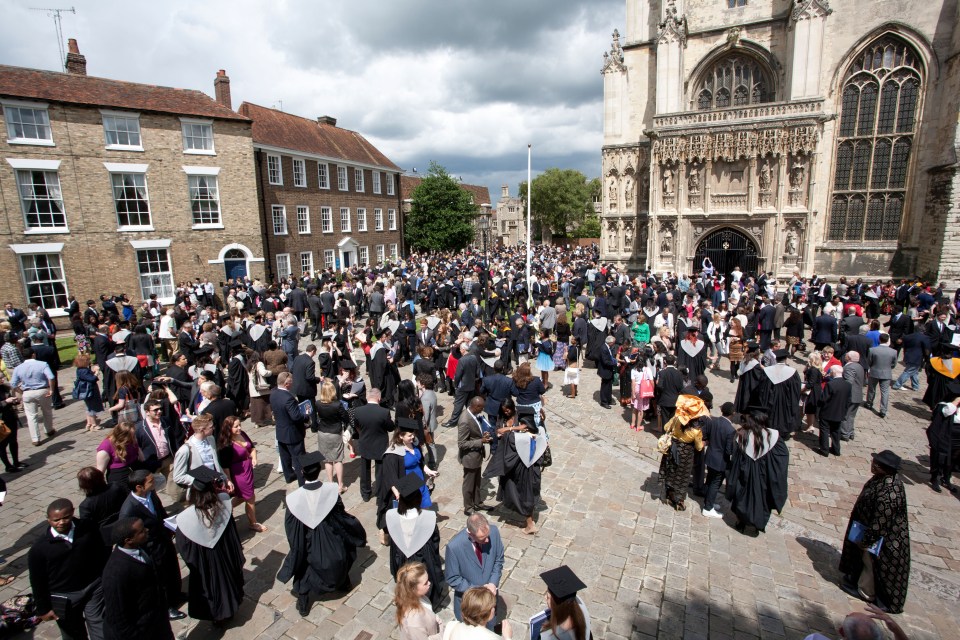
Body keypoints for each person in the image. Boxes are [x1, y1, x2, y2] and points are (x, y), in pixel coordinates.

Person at [278, 452, 367, 616]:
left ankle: (304, 601)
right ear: (319, 470)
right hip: (330, 536)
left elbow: (292, 531)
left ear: (302, 473)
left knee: (304, 564)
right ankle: (343, 582)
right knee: (343, 549)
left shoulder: (294, 499)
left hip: (308, 540)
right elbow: (341, 515)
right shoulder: (331, 490)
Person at [838, 450, 911, 614]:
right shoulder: (882, 480)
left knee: (870, 564)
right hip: (867, 529)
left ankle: (866, 592)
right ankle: (856, 578)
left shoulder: (890, 493)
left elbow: (879, 524)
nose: (873, 465)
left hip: (881, 541)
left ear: (885, 469)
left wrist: (865, 541)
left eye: (876, 464)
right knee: (864, 561)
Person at [28, 498, 109, 640]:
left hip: (93, 588)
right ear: (48, 520)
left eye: (65, 517)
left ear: (72, 513)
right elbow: (37, 580)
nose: (61, 522)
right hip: (65, 597)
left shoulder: (87, 527)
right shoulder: (39, 548)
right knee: (72, 633)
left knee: (99, 627)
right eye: (56, 520)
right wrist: (43, 608)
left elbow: (101, 551)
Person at [175, 466, 245, 624]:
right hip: (224, 555)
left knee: (210, 587)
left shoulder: (185, 518)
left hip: (204, 562)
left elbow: (184, 549)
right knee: (227, 582)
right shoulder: (225, 504)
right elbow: (232, 535)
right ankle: (230, 610)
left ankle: (217, 616)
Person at [116, 471, 184, 621]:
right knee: (160, 577)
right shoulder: (129, 509)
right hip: (150, 546)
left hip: (163, 538)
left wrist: (169, 525)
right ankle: (166, 607)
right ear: (139, 487)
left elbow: (160, 511)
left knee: (172, 568)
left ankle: (176, 595)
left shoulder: (151, 494)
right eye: (151, 481)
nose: (155, 483)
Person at [100, 517, 175, 640]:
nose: (147, 530)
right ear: (128, 540)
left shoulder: (141, 547)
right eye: (141, 532)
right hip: (140, 631)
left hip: (156, 621)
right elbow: (117, 615)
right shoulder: (116, 572)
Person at [385, 474, 445, 612]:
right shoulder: (428, 518)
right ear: (419, 499)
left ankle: (404, 597)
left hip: (401, 560)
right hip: (422, 561)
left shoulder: (391, 515)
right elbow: (435, 542)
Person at [725, 412, 789, 533]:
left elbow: (736, 458)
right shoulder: (773, 437)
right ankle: (759, 524)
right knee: (763, 499)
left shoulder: (742, 436)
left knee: (742, 496)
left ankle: (741, 522)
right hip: (764, 475)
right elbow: (782, 458)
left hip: (746, 474)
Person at [483, 411, 544, 534]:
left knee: (523, 496)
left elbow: (501, 432)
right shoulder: (540, 434)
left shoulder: (518, 439)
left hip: (522, 473)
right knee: (530, 496)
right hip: (534, 471)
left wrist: (513, 427)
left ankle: (530, 525)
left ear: (523, 425)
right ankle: (530, 522)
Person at [444, 514, 505, 627]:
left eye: (488, 535)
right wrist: (478, 590)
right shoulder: (454, 547)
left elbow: (498, 559)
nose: (487, 540)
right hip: (470, 606)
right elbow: (452, 578)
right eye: (482, 538)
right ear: (470, 534)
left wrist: (492, 583)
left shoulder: (494, 532)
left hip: (489, 603)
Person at [657, 395, 709, 511]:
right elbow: (699, 447)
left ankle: (669, 492)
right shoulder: (696, 430)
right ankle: (679, 500)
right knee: (682, 477)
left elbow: (666, 427)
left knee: (671, 470)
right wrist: (704, 443)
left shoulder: (676, 420)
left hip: (673, 449)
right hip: (686, 454)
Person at [217, 415, 265, 532]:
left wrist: (254, 458)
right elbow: (225, 466)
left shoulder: (242, 434)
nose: (239, 428)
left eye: (240, 425)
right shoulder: (226, 445)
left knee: (242, 496)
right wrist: (229, 480)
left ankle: (225, 509)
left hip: (248, 470)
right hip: (238, 474)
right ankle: (253, 523)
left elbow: (252, 448)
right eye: (236, 426)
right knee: (250, 497)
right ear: (228, 429)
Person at [354, 387, 396, 504]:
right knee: (380, 471)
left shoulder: (358, 411)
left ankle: (366, 493)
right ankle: (379, 493)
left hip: (365, 443)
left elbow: (356, 426)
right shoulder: (384, 412)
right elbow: (390, 427)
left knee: (365, 470)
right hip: (380, 445)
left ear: (368, 397)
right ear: (379, 398)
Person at [10, 346, 56, 445]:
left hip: (27, 392)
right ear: (33, 355)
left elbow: (13, 384)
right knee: (47, 411)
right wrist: (51, 389)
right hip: (42, 390)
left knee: (31, 416)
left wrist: (21, 391)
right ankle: (48, 430)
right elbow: (51, 376)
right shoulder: (42, 364)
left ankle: (35, 438)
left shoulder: (18, 368)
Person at [700, 402, 737, 519]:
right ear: (733, 413)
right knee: (715, 484)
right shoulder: (730, 430)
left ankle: (708, 501)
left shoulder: (714, 421)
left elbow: (706, 436)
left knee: (709, 480)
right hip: (720, 461)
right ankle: (708, 507)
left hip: (710, 456)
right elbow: (728, 450)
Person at [271, 371, 308, 486]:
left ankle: (289, 476)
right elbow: (296, 416)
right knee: (298, 459)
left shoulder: (273, 393)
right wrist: (306, 415)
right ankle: (302, 482)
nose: (292, 384)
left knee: (285, 456)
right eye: (291, 382)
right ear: (287, 384)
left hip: (281, 431)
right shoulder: (288, 398)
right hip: (292, 434)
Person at [458, 397, 493, 515]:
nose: (483, 409)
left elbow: (476, 431)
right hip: (469, 458)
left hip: (477, 456)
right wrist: (481, 441)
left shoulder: (475, 415)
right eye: (481, 407)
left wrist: (484, 434)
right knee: (469, 485)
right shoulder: (465, 420)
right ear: (475, 406)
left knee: (477, 482)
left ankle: (478, 502)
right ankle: (468, 508)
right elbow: (462, 444)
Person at [394, 562, 444, 640]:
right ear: (413, 589)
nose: (429, 583)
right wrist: (442, 633)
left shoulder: (416, 597)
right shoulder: (413, 622)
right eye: (425, 583)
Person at [925, 382, 960, 493]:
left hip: (958, 434)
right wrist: (956, 401)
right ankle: (935, 477)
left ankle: (947, 478)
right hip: (946, 432)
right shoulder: (945, 404)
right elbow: (947, 411)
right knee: (939, 456)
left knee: (953, 457)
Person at [538, 565, 590, 640]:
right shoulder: (581, 605)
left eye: (548, 597)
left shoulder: (549, 636)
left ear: (557, 605)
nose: (545, 597)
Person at [759, 349, 802, 437]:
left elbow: (762, 388)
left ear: (776, 359)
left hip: (771, 399)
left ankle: (770, 430)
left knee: (772, 415)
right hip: (786, 401)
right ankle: (784, 433)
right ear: (786, 359)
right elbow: (796, 389)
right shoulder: (792, 372)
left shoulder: (767, 371)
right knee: (785, 415)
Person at [76, 466, 128, 532]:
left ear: (83, 486)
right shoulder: (116, 486)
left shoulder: (86, 506)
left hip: (104, 533)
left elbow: (87, 527)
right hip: (123, 522)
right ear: (101, 477)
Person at [818, 365, 853, 457]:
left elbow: (823, 399)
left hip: (827, 412)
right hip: (840, 412)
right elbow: (849, 400)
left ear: (833, 372)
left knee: (824, 430)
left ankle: (824, 450)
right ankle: (836, 449)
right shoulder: (848, 385)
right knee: (836, 431)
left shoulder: (830, 384)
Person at [95, 422, 140, 487]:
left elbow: (142, 458)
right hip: (119, 477)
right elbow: (100, 472)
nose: (132, 438)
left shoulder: (132, 440)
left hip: (135, 473)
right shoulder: (106, 446)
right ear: (121, 436)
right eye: (130, 436)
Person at [865, 335, 897, 418]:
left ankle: (869, 403)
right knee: (885, 392)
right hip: (886, 373)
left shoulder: (873, 350)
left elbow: (869, 361)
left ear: (879, 340)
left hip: (874, 372)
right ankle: (883, 410)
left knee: (871, 389)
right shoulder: (893, 351)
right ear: (887, 340)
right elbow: (894, 364)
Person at [0, 377, 25, 472]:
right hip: (1, 421)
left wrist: (15, 401)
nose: (2, 380)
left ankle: (16, 462)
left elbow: (9, 400)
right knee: (2, 444)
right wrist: (6, 402)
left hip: (10, 417)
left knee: (13, 441)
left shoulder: (4, 388)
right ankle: (8, 466)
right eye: (0, 378)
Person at [74, 354, 104, 431]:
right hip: (89, 391)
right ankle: (94, 424)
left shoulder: (80, 369)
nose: (89, 361)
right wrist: (96, 372)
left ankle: (89, 423)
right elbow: (92, 379)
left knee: (88, 406)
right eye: (87, 360)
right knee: (92, 407)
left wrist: (92, 372)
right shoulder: (83, 370)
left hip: (86, 391)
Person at [841, 352, 866, 442]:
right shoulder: (859, 366)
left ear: (848, 358)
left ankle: (844, 433)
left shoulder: (849, 367)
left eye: (846, 355)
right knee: (851, 416)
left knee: (845, 415)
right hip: (858, 395)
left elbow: (848, 382)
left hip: (850, 396)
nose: (845, 356)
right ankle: (850, 432)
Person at [596, 335, 617, 409]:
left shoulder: (607, 347)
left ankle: (609, 399)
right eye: (613, 342)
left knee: (609, 386)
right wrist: (615, 363)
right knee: (605, 387)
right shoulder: (604, 348)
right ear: (610, 343)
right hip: (605, 371)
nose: (614, 344)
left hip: (608, 370)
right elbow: (605, 362)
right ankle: (604, 402)